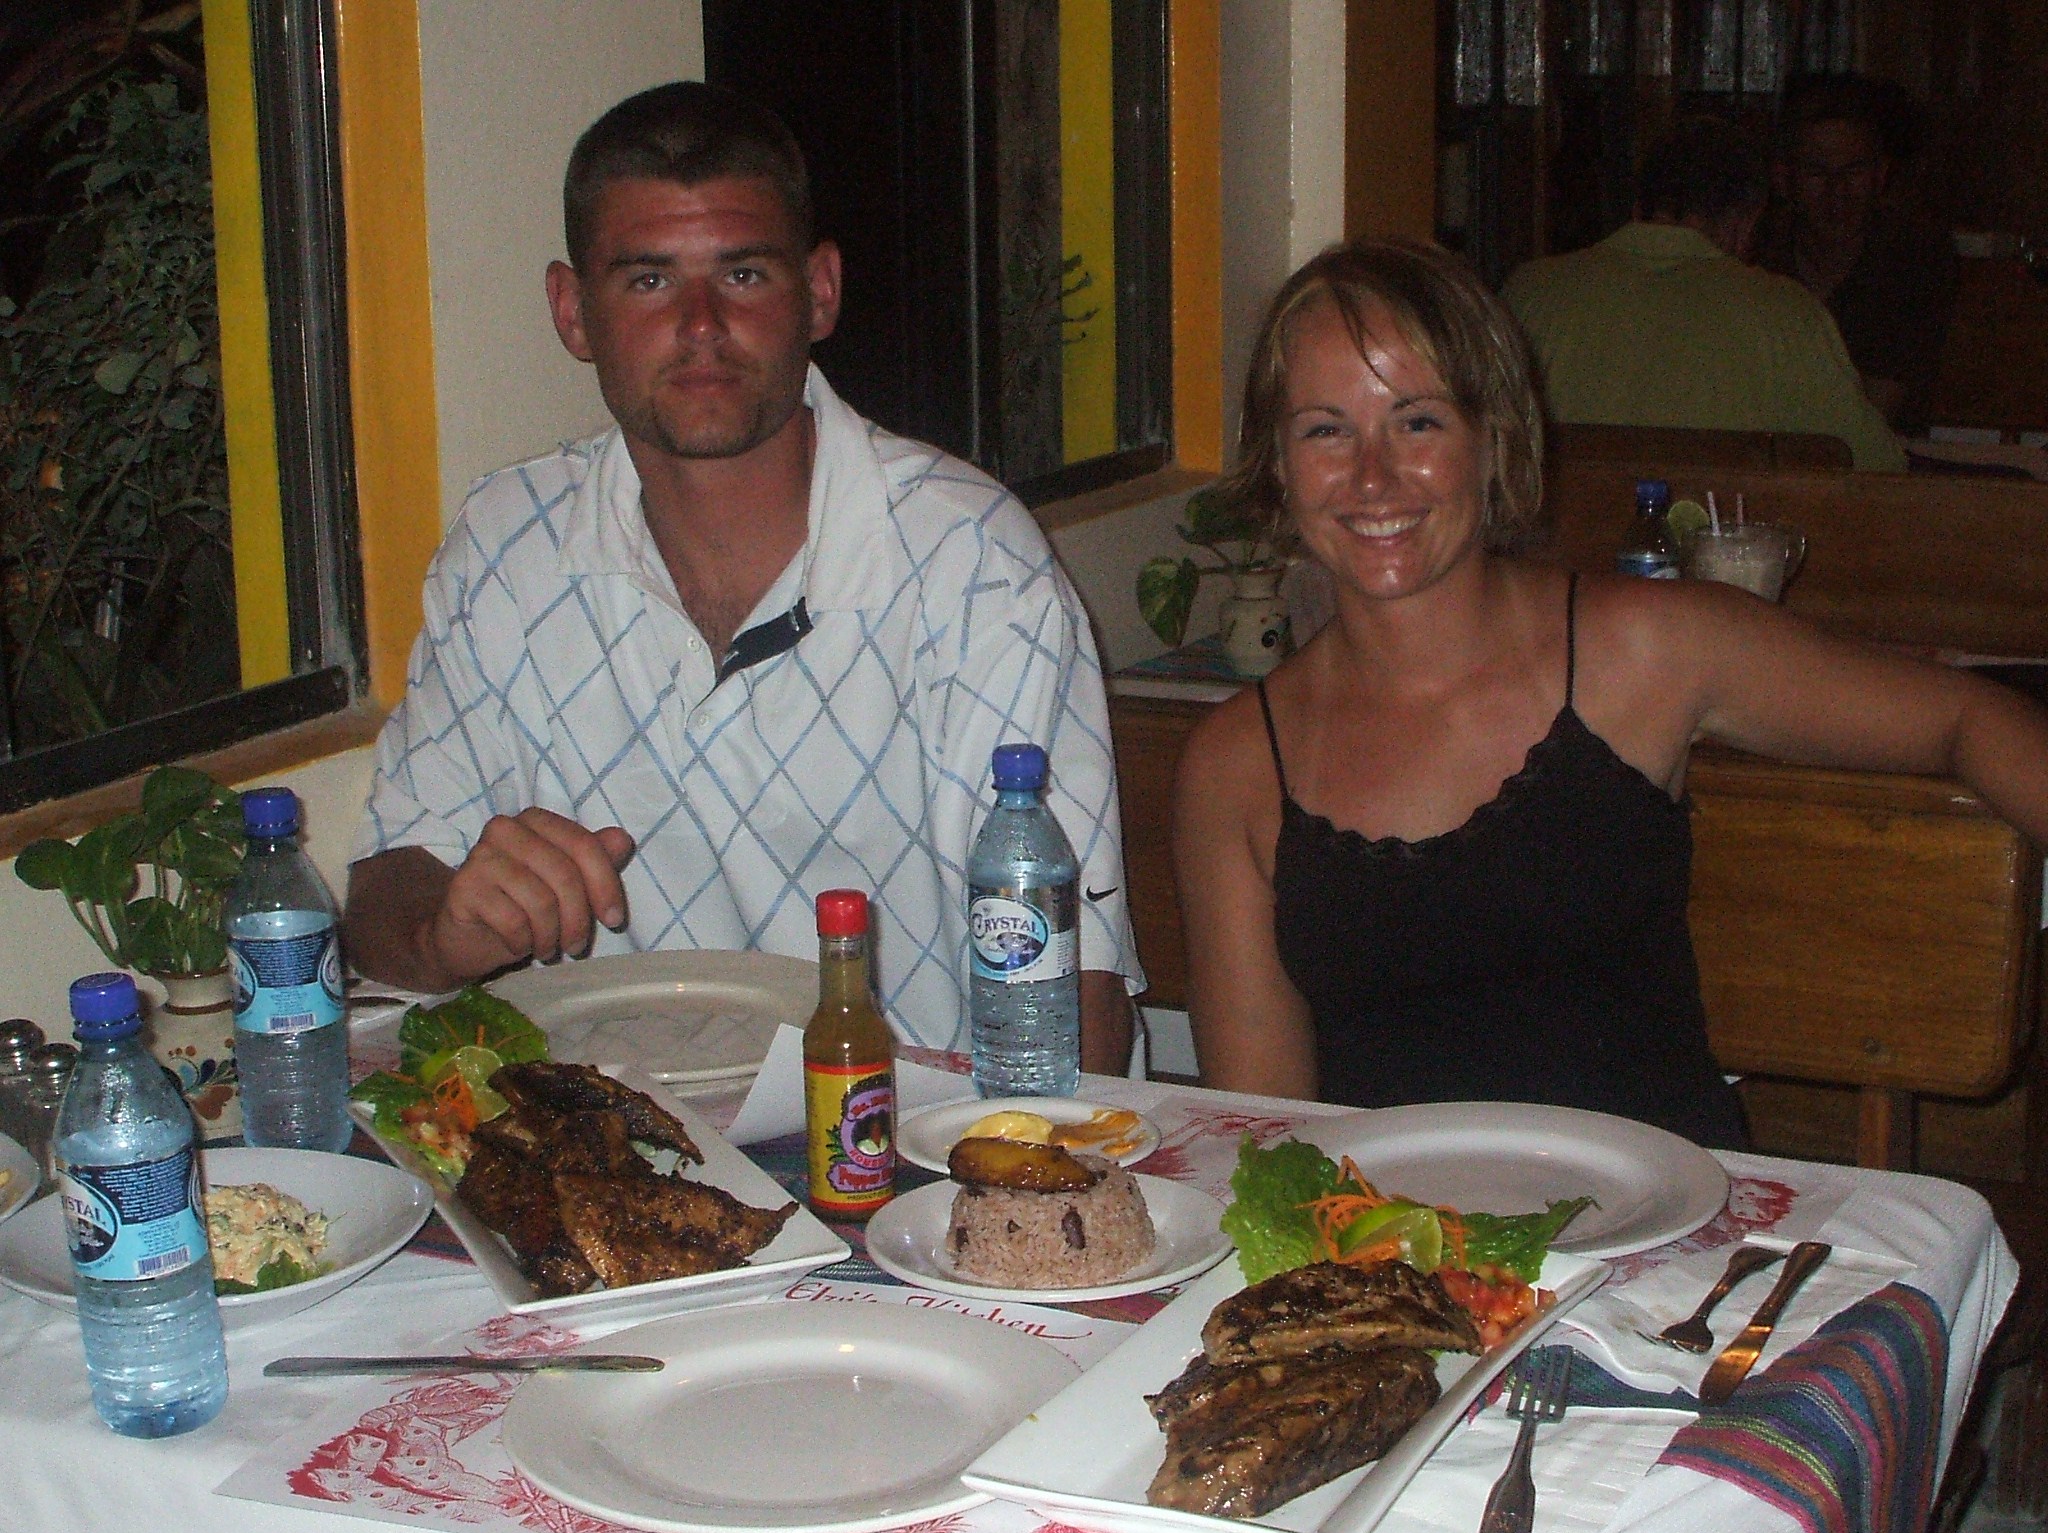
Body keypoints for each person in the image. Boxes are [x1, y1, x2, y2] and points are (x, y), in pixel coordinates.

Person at [1174, 239, 2048, 1146]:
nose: (1372, 476)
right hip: (1386, 1232)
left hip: (1674, 1223)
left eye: (1418, 422)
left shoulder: (1644, 649)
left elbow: (1965, 718)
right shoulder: (1236, 767)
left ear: (1494, 439)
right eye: (1325, 430)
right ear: (1276, 464)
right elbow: (1263, 1137)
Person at [344, 82, 1140, 1069]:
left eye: (744, 274)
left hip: (907, 1135)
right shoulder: (508, 548)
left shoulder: (969, 563)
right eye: (648, 281)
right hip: (609, 1133)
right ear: (572, 311)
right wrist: (445, 936)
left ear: (820, 292)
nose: (701, 324)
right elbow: (386, 885)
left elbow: (1077, 998)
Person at [1504, 116, 1906, 473]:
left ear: (1638, 207)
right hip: (1721, 534)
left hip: (1559, 534)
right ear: (1747, 223)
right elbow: (1877, 466)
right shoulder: (1787, 313)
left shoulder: (1531, 292)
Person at [1755, 74, 1958, 433]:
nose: (1838, 190)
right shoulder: (1758, 252)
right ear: (1784, 179)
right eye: (1817, 173)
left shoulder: (1913, 256)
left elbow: (1876, 410)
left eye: (1854, 171)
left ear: (1881, 175)